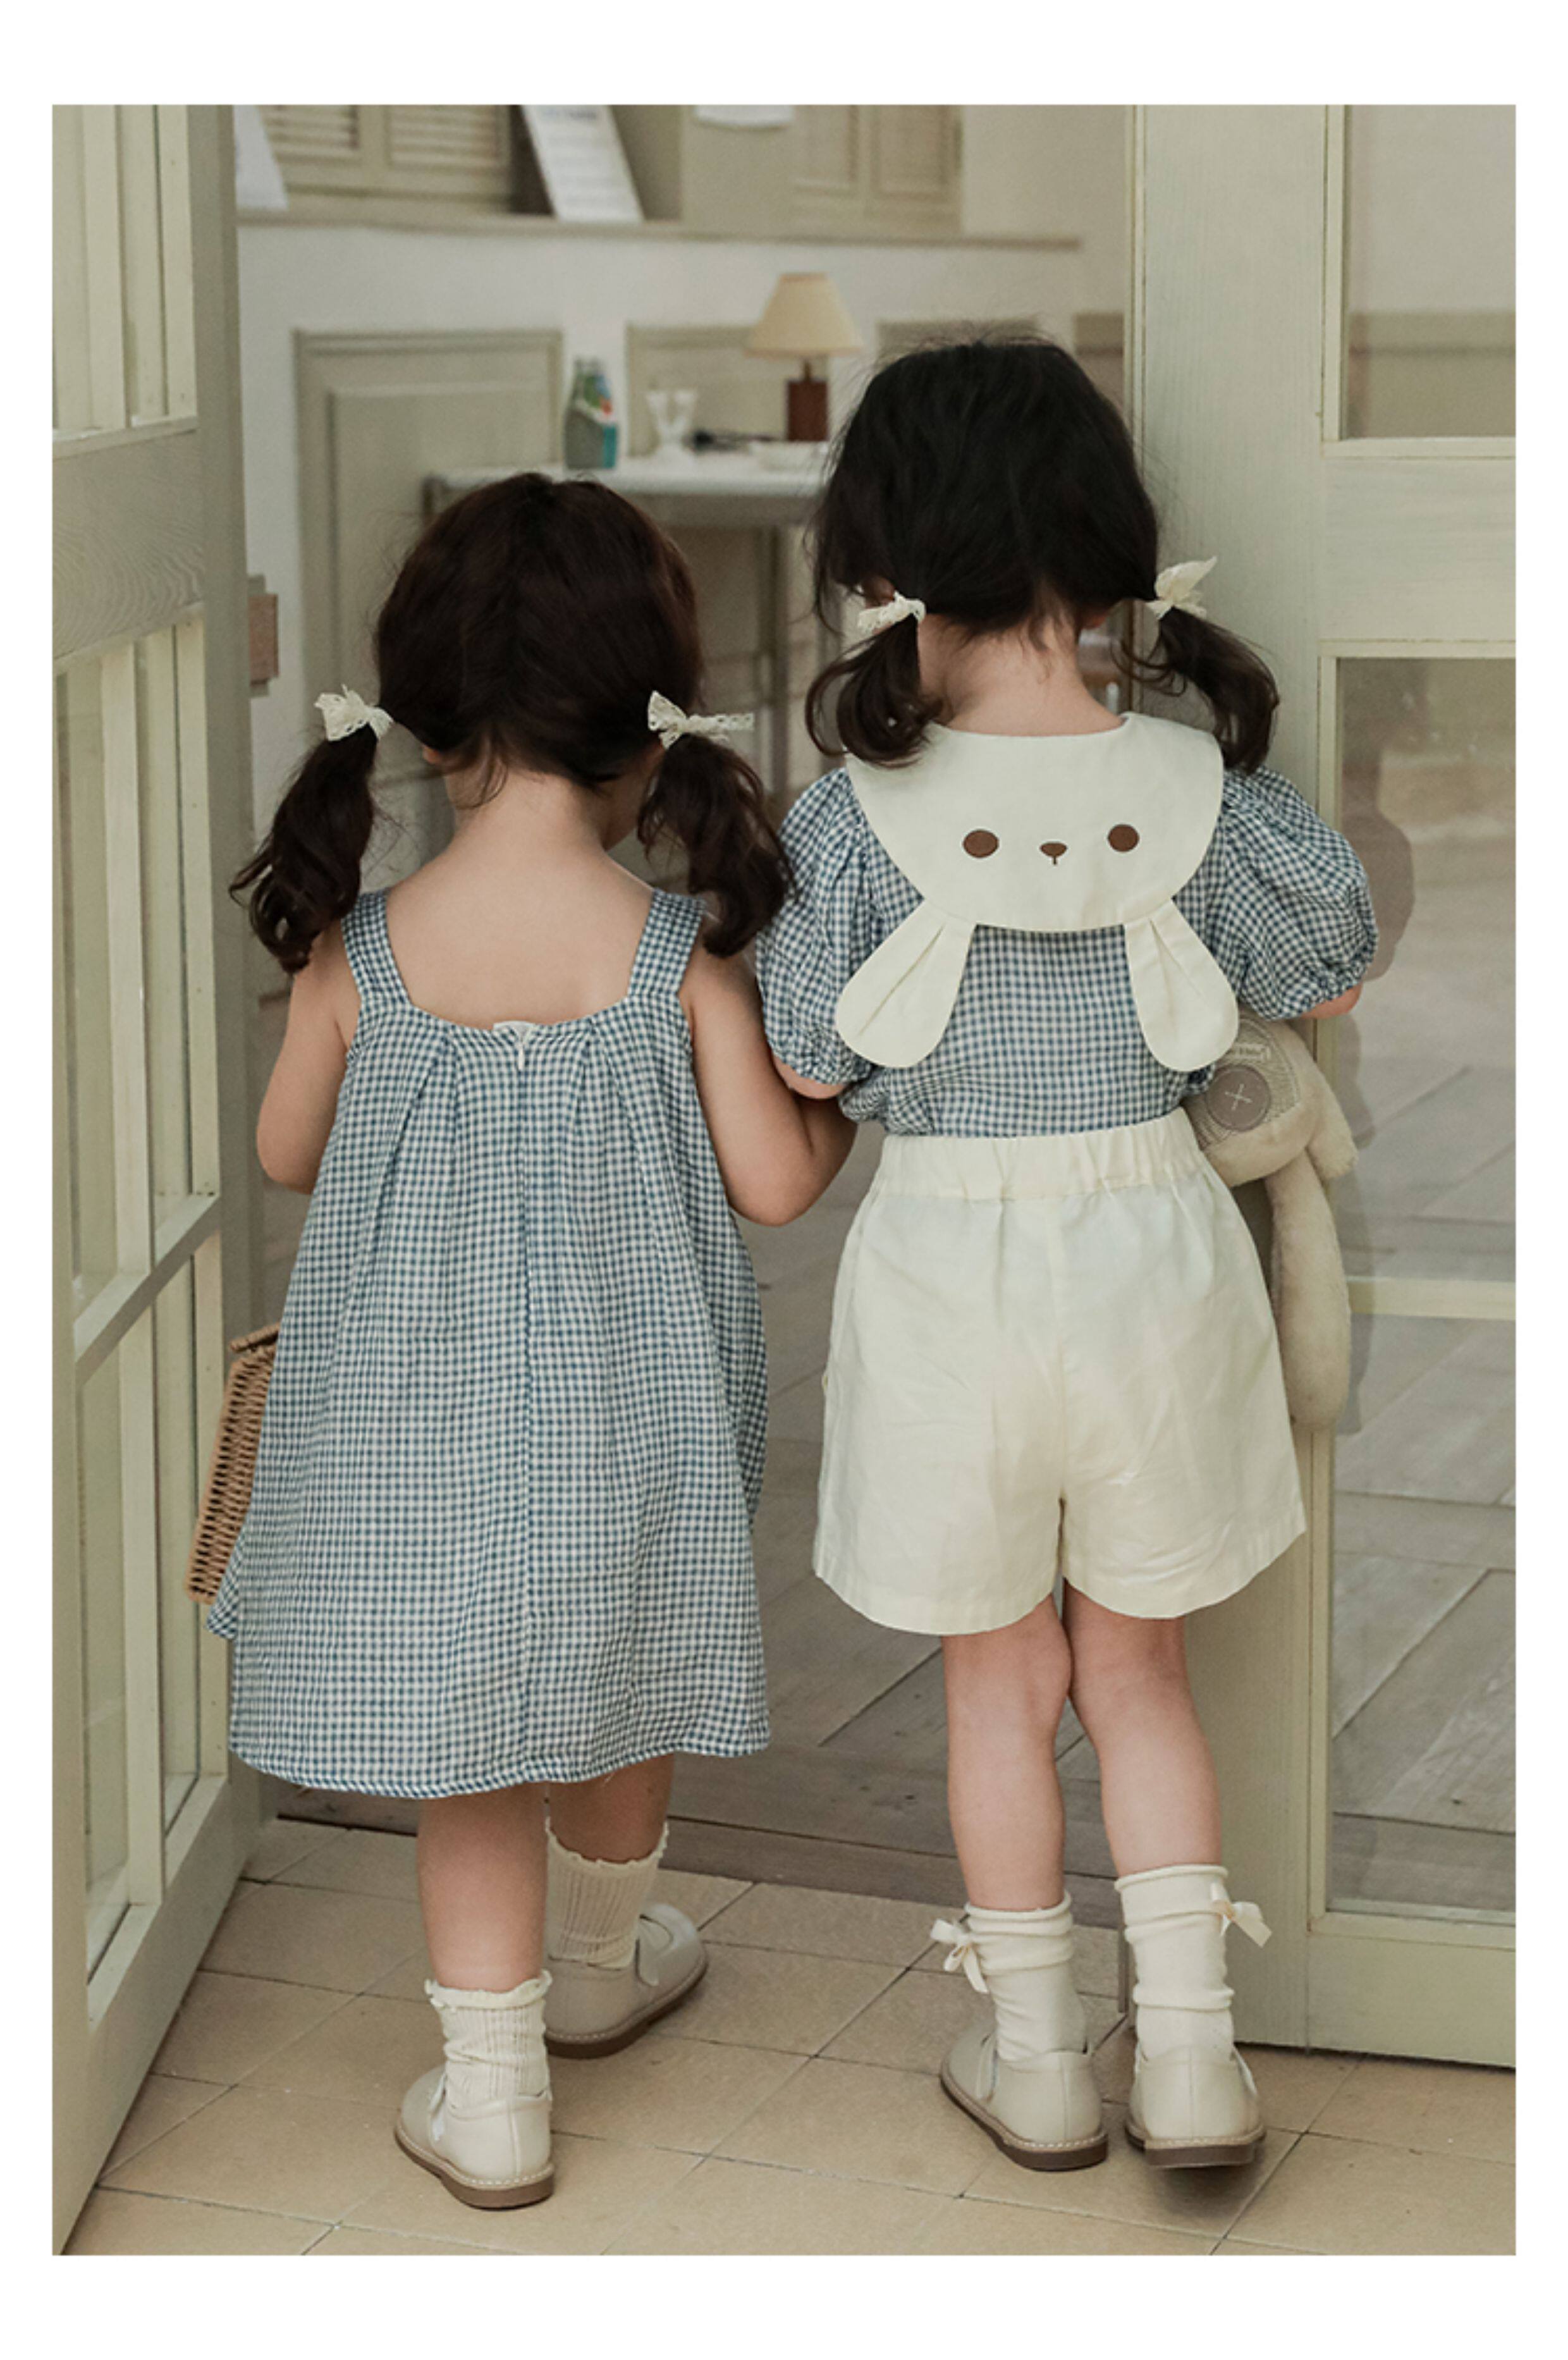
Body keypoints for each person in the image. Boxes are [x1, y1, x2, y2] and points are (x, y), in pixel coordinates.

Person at [756, 340, 1374, 2173]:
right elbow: (1332, 960)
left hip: (949, 1274)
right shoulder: (1198, 788)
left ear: (886, 559)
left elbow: (809, 1059)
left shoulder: (845, 818)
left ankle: (1034, 2062)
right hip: (1154, 1258)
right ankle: (1192, 2064)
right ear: (1103, 541)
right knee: (1142, 1675)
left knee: (998, 1684)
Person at [213, 472, 852, 2209]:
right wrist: (836, 1090)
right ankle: (598, 1965)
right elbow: (778, 1185)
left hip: (410, 1446)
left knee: (470, 1761)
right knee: (616, 1670)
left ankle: (492, 2094)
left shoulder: (361, 956)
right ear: (648, 717)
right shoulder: (677, 962)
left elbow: (284, 1153)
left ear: (424, 720)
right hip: (625, 1434)